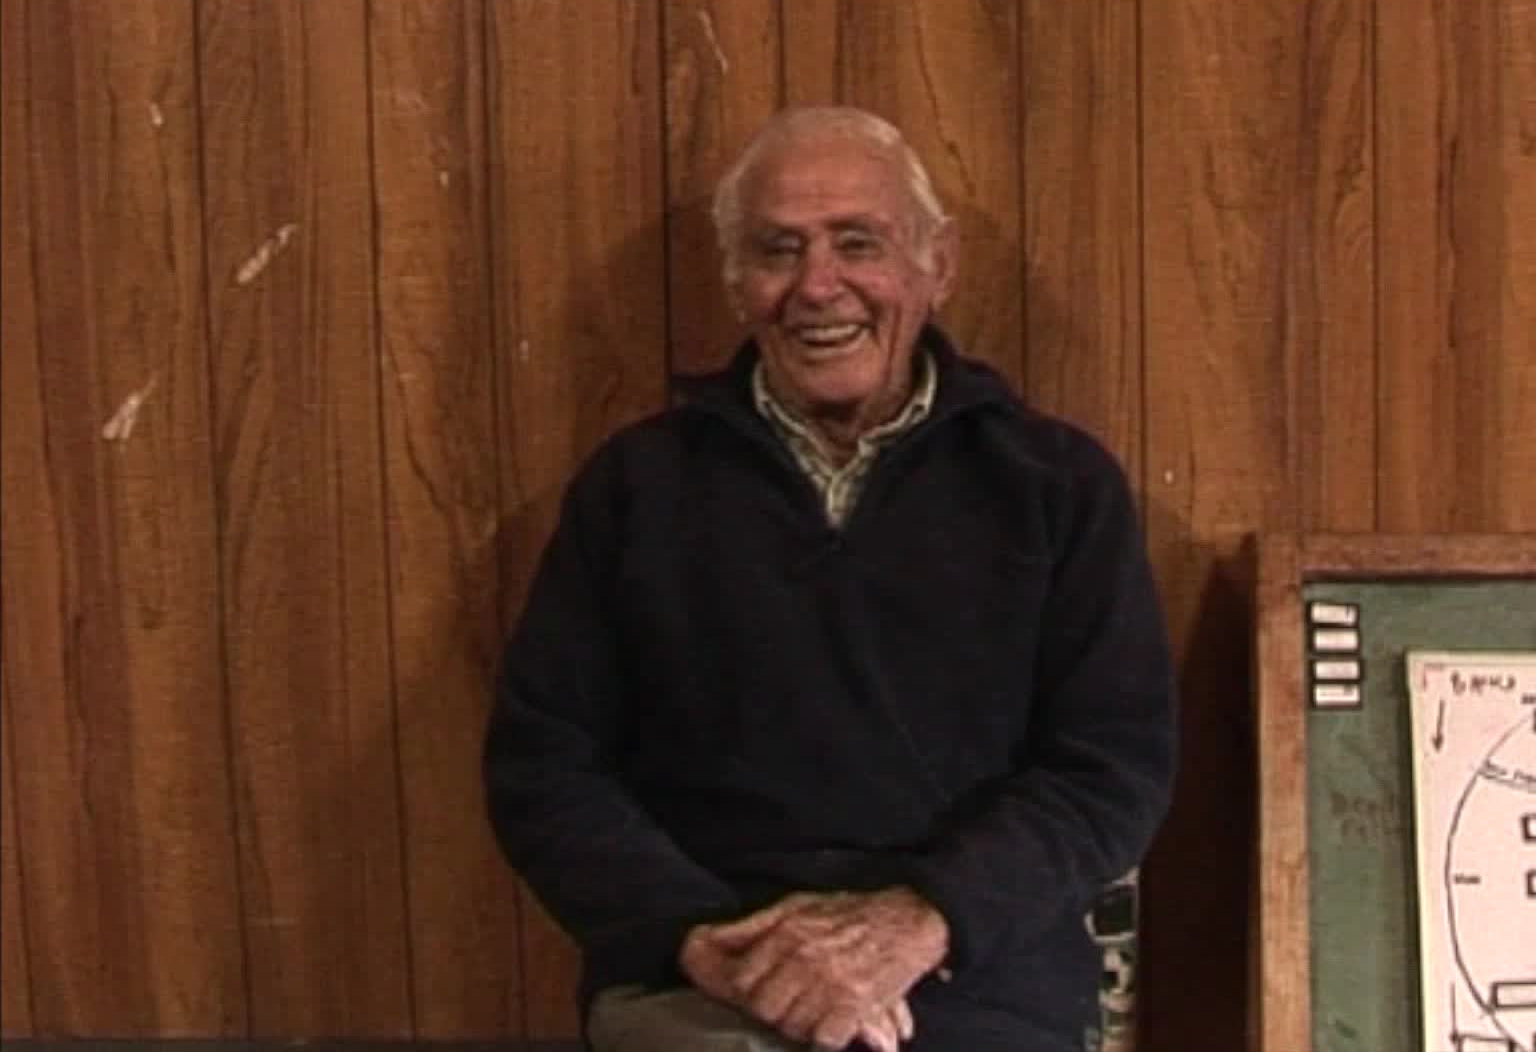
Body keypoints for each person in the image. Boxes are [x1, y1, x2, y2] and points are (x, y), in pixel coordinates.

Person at [483, 106, 1176, 1052]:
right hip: (703, 975)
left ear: (938, 266)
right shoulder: (636, 488)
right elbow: (542, 766)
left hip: (976, 972)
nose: (817, 286)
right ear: (737, 283)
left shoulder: (1056, 487)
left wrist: (920, 921)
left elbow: (1112, 769)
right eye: (779, 251)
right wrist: (703, 940)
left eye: (858, 244)